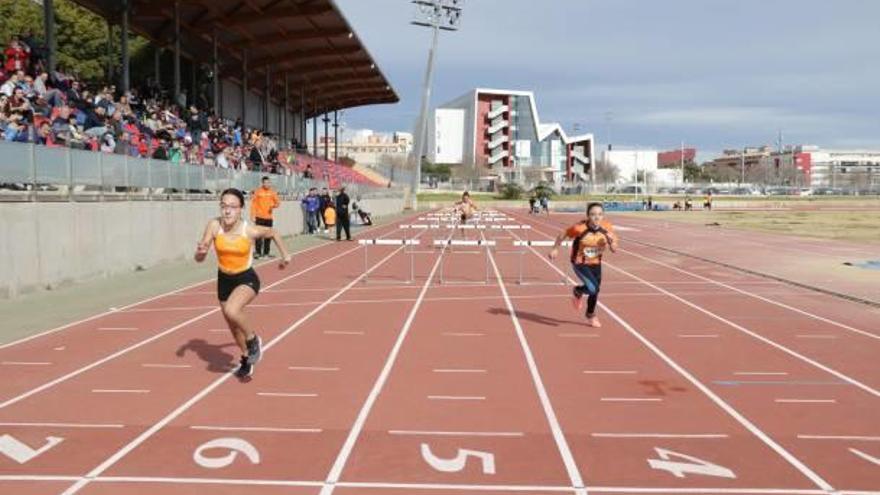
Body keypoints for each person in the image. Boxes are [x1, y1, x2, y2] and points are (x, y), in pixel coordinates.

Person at [194, 188, 292, 378]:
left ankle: (253, 339)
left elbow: (273, 232)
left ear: (241, 209)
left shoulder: (249, 229)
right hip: (224, 279)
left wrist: (285, 255)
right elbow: (199, 256)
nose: (227, 211)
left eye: (232, 206)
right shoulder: (214, 226)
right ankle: (247, 356)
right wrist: (201, 252)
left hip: (246, 278)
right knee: (232, 326)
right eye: (223, 206)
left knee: (232, 310)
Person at [548, 202, 618, 328]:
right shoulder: (579, 228)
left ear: (603, 216)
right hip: (580, 263)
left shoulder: (607, 227)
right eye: (593, 214)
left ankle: (590, 314)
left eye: (600, 214)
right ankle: (577, 291)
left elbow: (614, 249)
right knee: (593, 288)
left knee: (595, 291)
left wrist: (611, 241)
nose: (597, 217)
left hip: (596, 263)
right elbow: (563, 234)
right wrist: (555, 248)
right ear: (587, 216)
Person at [250, 176, 280, 259]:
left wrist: (273, 206)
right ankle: (258, 253)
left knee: (268, 236)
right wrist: (252, 215)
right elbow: (253, 204)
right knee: (258, 236)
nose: (267, 184)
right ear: (262, 183)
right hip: (259, 217)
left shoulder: (272, 192)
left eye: (269, 182)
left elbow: (278, 202)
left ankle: (266, 253)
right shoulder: (258, 192)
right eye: (265, 182)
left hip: (268, 218)